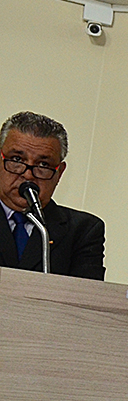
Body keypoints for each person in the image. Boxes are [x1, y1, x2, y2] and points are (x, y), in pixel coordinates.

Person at [0, 111, 105, 280]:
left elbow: (85, 293)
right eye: (17, 160)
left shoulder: (83, 230)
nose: (28, 175)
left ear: (59, 173)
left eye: (43, 164)